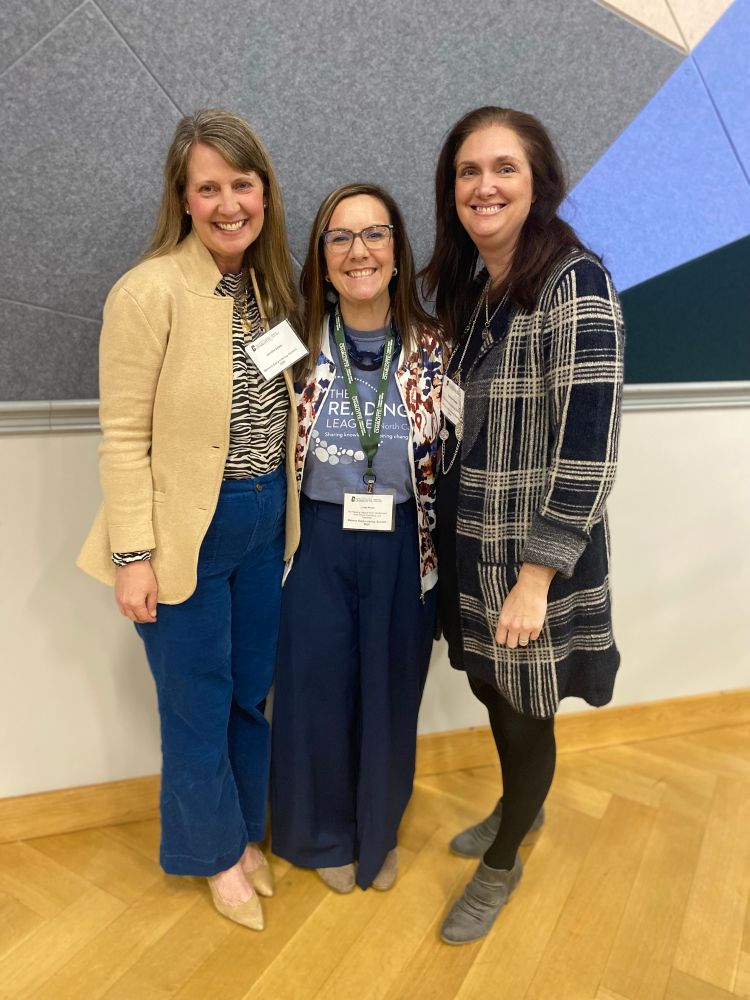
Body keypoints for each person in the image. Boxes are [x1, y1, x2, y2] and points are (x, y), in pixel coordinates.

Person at [77, 108, 300, 931]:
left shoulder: (270, 287)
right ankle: (213, 856)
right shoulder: (147, 292)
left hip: (262, 519)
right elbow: (123, 436)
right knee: (197, 699)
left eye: (243, 184)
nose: (229, 202)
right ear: (184, 196)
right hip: (181, 535)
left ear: (266, 192)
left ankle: (243, 834)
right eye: (209, 187)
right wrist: (134, 554)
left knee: (247, 693)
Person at [421, 106, 624, 944]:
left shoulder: (574, 282)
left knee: (525, 707)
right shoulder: (476, 290)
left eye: (503, 167)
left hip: (531, 558)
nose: (484, 185)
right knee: (489, 687)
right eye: (469, 171)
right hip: (471, 546)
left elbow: (591, 446)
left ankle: (504, 857)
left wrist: (538, 576)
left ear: (538, 180)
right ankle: (519, 806)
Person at [270, 183, 443, 892]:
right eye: (339, 237)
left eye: (374, 234)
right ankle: (317, 836)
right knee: (313, 693)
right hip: (313, 543)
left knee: (391, 694)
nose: (358, 251)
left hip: (406, 545)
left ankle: (379, 833)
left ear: (398, 251)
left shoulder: (439, 348)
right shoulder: (285, 343)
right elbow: (238, 431)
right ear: (321, 257)